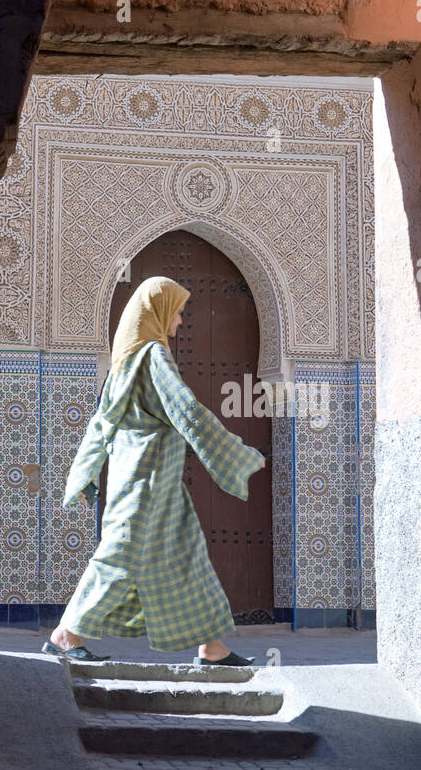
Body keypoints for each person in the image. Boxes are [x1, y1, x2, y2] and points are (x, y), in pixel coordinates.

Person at [43, 275, 265, 665]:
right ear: (159, 312)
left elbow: (101, 422)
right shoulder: (153, 356)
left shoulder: (124, 361)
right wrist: (236, 455)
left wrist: (84, 470)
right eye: (177, 313)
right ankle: (65, 634)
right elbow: (186, 411)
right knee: (118, 556)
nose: (180, 323)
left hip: (155, 482)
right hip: (144, 484)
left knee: (188, 555)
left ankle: (213, 648)